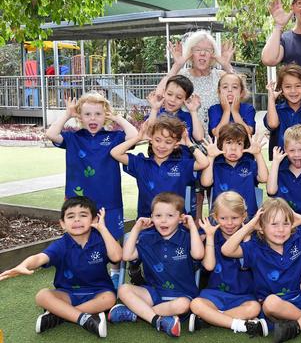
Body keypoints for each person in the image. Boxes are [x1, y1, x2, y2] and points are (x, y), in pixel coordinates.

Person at [45, 92, 136, 287]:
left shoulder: (115, 137)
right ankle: (85, 274)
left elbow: (135, 136)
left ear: (106, 116)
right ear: (80, 117)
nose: (93, 118)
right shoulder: (73, 138)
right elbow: (51, 134)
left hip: (109, 201)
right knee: (81, 238)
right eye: (87, 114)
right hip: (79, 202)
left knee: (112, 239)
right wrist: (67, 114)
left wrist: (117, 117)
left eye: (98, 114)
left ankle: (115, 274)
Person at [221, 198, 301, 343]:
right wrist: (250, 226)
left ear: (292, 224)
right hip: (278, 304)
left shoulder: (299, 238)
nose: (281, 229)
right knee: (270, 303)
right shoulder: (255, 247)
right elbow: (226, 250)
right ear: (261, 228)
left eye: (286, 223)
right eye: (274, 224)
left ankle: (298, 325)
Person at [0, 197, 121, 338]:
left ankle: (59, 316)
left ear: (94, 220)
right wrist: (24, 265)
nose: (77, 220)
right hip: (67, 294)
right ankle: (84, 318)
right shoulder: (61, 245)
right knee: (42, 296)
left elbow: (117, 256)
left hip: (98, 292)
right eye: (70, 216)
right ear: (62, 224)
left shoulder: (101, 240)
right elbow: (39, 258)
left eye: (83, 215)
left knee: (110, 298)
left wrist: (103, 229)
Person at [108, 192, 205, 337]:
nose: (163, 221)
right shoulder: (147, 238)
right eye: (158, 216)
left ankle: (136, 313)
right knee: (123, 289)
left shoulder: (187, 237)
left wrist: (192, 226)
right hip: (154, 293)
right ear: (151, 218)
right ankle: (157, 320)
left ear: (180, 218)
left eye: (170, 216)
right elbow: (127, 256)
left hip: (181, 295)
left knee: (184, 305)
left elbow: (198, 255)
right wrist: (136, 228)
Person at [188, 191, 266, 337]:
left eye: (235, 218)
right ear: (215, 217)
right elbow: (209, 266)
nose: (229, 223)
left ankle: (210, 319)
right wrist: (209, 237)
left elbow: (248, 265)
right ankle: (239, 324)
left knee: (254, 308)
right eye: (223, 218)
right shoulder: (213, 236)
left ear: (244, 216)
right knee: (196, 304)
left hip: (243, 296)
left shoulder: (252, 239)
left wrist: (246, 236)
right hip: (215, 295)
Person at [110, 116, 209, 218]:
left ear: (176, 144)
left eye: (168, 142)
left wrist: (188, 143)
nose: (161, 146)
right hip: (147, 223)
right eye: (158, 140)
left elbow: (204, 162)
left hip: (175, 222)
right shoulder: (141, 163)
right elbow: (115, 153)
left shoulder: (181, 164)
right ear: (151, 140)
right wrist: (138, 138)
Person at [157, 30, 235, 134]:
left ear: (213, 54)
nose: (202, 53)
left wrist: (227, 66)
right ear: (190, 54)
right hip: (187, 138)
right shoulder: (181, 76)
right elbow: (159, 95)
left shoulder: (221, 76)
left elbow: (241, 93)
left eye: (207, 50)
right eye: (197, 49)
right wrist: (176, 65)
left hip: (219, 136)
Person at [201, 123, 268, 219]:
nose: (233, 148)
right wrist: (210, 157)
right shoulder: (215, 165)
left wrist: (258, 154)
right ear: (220, 145)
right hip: (221, 218)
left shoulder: (249, 163)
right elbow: (206, 183)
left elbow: (264, 178)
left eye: (239, 143)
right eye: (229, 142)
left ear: (245, 146)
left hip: (247, 217)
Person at [267, 124, 301, 219]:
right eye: (292, 150)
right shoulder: (280, 171)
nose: (297, 155)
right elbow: (271, 191)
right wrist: (275, 162)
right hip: (284, 222)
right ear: (285, 150)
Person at [264, 63, 301, 158]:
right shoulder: (277, 109)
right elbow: (273, 124)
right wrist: (271, 99)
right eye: (288, 87)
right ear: (281, 89)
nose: (293, 91)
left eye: (298, 86)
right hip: (282, 165)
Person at [148, 74, 204, 142]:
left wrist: (193, 111)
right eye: (169, 94)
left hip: (183, 152)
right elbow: (148, 134)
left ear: (186, 99)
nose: (172, 99)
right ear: (164, 92)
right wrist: (154, 109)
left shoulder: (188, 117)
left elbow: (200, 137)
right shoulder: (155, 114)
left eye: (179, 97)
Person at [208, 72, 256, 138]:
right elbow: (217, 135)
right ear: (219, 92)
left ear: (241, 92)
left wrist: (235, 112)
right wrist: (226, 111)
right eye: (225, 87)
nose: (230, 90)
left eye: (234, 87)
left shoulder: (248, 109)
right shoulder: (214, 109)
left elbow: (248, 134)